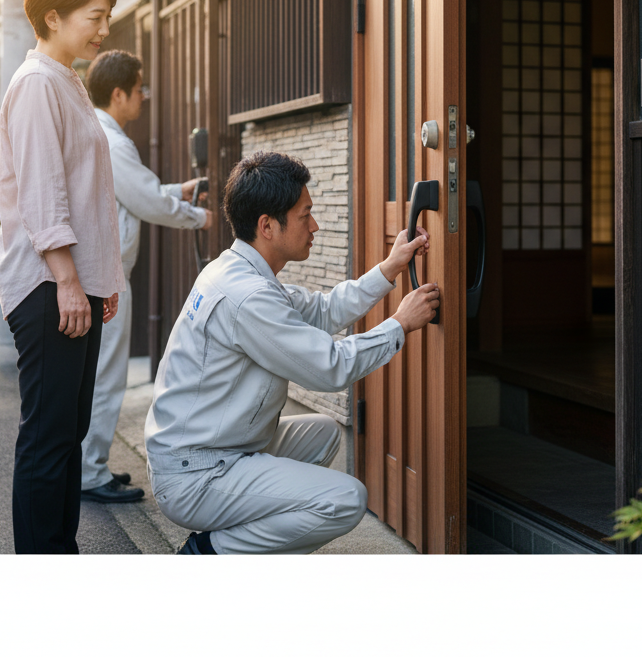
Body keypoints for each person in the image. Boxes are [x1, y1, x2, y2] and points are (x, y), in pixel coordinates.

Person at [144, 150, 440, 554]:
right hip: (197, 473)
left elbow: (322, 310)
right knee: (344, 499)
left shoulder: (238, 270)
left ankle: (246, 535)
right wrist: (400, 324)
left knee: (322, 434)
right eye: (305, 215)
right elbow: (329, 368)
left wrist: (389, 268)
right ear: (267, 226)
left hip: (211, 450)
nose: (314, 225)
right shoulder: (247, 296)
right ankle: (209, 553)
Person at [0, 0, 125, 554]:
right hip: (49, 284)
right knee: (49, 434)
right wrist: (72, 281)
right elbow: (45, 192)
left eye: (107, 17)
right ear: (52, 16)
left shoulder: (66, 79)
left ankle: (58, 551)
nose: (104, 30)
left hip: (73, 283)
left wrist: (102, 279)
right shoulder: (36, 84)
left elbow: (88, 191)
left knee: (67, 429)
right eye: (94, 17)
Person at [79, 49, 212, 503]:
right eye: (139, 89)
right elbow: (148, 203)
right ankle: (89, 472)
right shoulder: (112, 141)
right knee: (106, 377)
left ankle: (87, 465)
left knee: (94, 375)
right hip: (107, 278)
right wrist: (199, 216)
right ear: (119, 94)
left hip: (94, 273)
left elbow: (135, 191)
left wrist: (179, 191)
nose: (143, 97)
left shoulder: (96, 133)